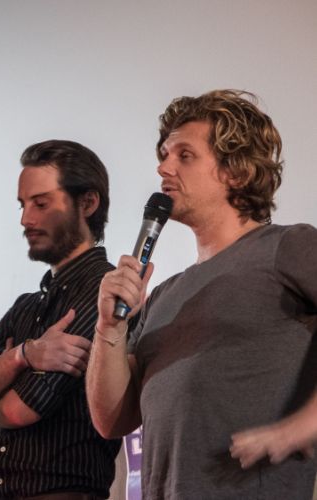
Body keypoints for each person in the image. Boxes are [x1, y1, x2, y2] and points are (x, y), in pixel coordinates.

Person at [86, 90, 317, 499]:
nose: (163, 167)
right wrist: (109, 327)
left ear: (236, 172)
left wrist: (303, 426)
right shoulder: (162, 295)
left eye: (184, 155)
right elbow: (112, 420)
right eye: (164, 155)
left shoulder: (287, 247)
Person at [0, 140, 121, 500]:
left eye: (41, 204)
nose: (25, 219)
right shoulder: (27, 306)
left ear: (87, 203)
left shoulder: (104, 292)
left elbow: (17, 411)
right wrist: (23, 356)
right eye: (23, 205)